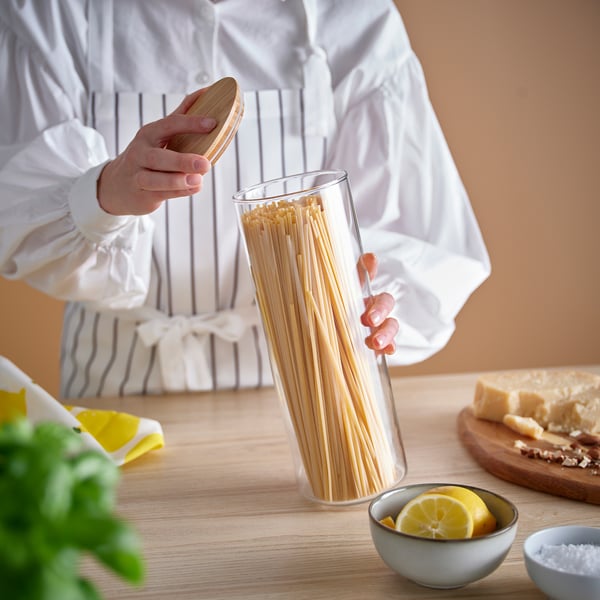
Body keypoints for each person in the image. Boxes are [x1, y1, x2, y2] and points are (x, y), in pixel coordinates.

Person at [0, 0, 490, 399]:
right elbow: (17, 210)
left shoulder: (355, 18)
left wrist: (378, 297)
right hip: (115, 386)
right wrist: (106, 191)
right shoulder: (50, 13)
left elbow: (403, 231)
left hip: (304, 388)